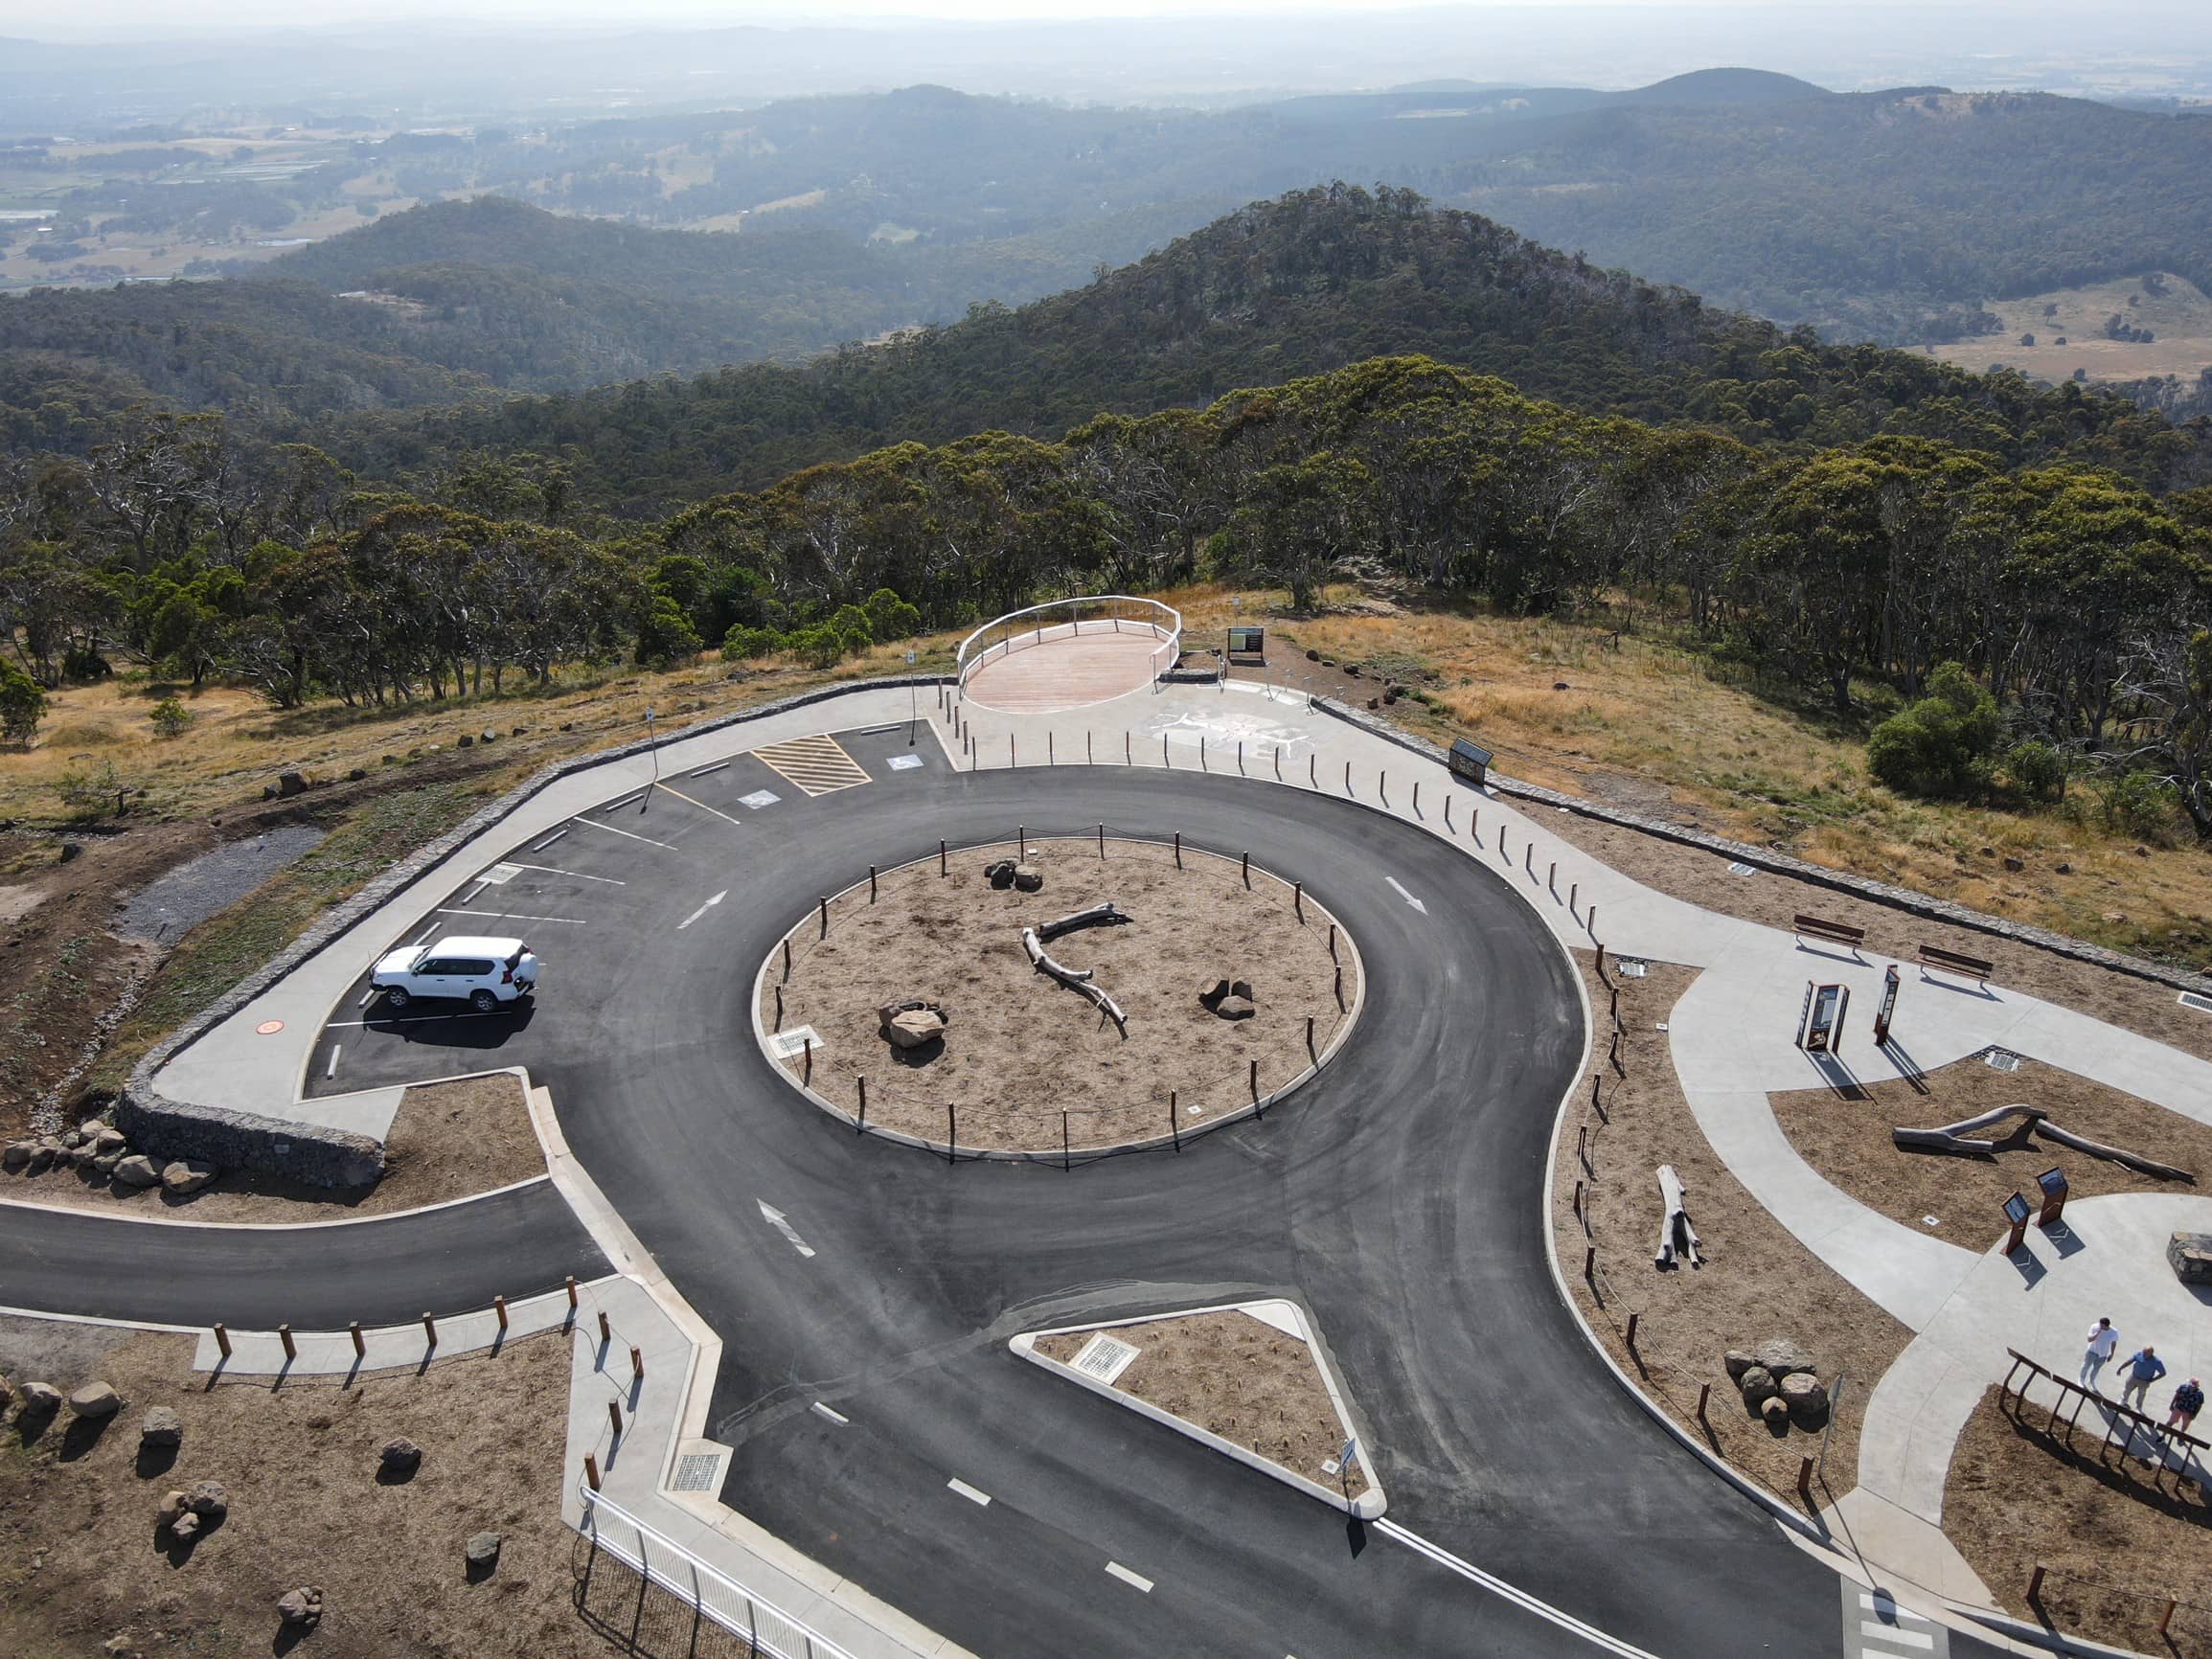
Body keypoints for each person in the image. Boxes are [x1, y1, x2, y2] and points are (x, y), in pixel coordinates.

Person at [2121, 1345, 2166, 1410]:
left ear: (2151, 1354)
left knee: (2141, 1395)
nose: (2143, 1354)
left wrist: (2152, 1380)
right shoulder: (2139, 1354)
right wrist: (2120, 1368)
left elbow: (2163, 1373)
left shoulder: (2157, 1362)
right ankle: (2123, 1401)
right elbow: (2129, 1361)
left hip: (2144, 1381)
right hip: (2133, 1377)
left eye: (2145, 1353)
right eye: (2143, 1352)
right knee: (2127, 1389)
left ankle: (2138, 1408)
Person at [2081, 1318, 2118, 1390]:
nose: (2100, 1326)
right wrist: (2097, 1333)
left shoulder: (2114, 1332)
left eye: (2102, 1325)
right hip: (2092, 1351)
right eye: (2100, 1324)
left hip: (2103, 1354)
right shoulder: (2094, 1327)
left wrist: (2112, 1354)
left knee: (2096, 1369)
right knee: (2086, 1366)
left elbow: (2114, 1343)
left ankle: (2091, 1381)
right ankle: (2081, 1379)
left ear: (2106, 1326)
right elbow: (2089, 1339)